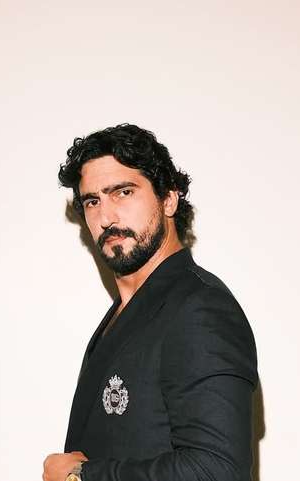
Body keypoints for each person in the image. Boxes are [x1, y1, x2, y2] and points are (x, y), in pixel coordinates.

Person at [43, 124, 258, 481]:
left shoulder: (200, 310)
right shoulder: (124, 313)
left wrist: (81, 476)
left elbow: (218, 471)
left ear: (168, 199)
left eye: (123, 192)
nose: (106, 217)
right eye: (93, 201)